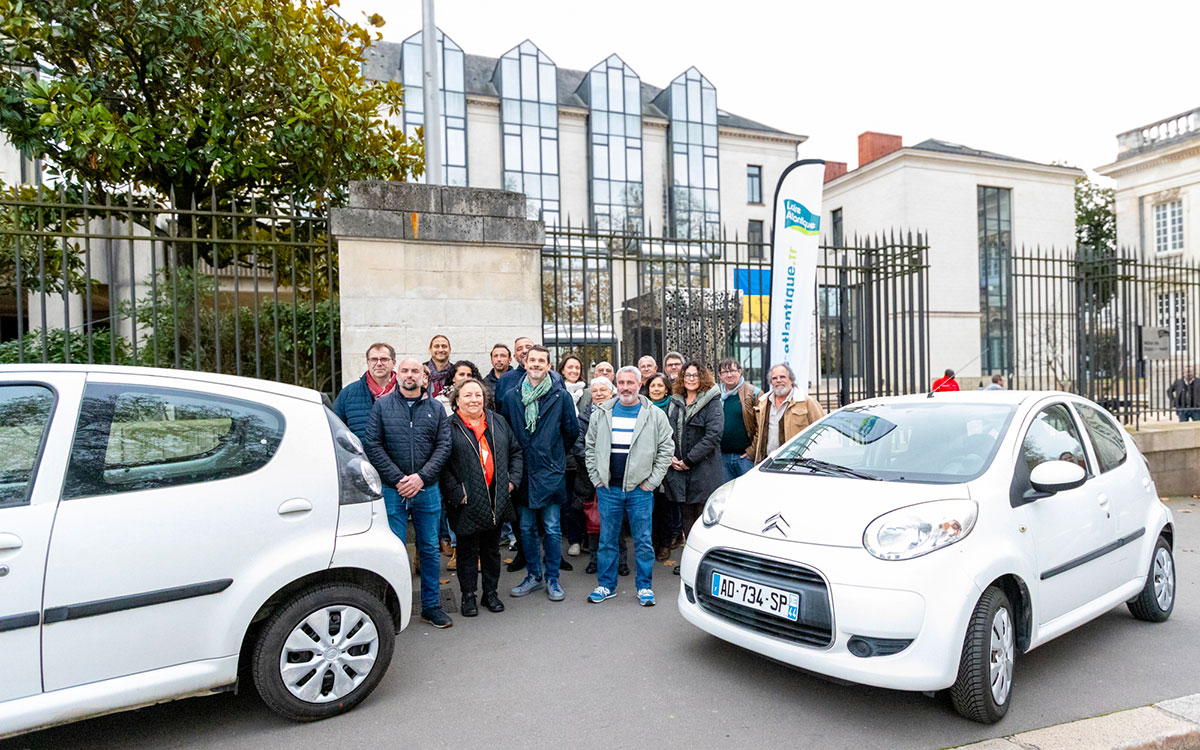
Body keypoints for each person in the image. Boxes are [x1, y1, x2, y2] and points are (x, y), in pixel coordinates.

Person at [363, 358, 453, 628]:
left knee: (428, 548)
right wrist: (399, 478)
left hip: (428, 490)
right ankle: (390, 608)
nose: (410, 375)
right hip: (393, 490)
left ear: (424, 378)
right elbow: (373, 444)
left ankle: (431, 606)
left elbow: (443, 446)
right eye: (405, 370)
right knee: (394, 551)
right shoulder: (381, 407)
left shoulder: (436, 409)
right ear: (397, 374)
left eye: (416, 371)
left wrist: (420, 477)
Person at [584, 366, 675, 606]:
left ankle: (645, 587)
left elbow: (667, 449)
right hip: (608, 489)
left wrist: (652, 482)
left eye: (630, 383)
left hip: (640, 490)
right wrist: (597, 479)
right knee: (607, 540)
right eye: (621, 382)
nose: (625, 387)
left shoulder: (654, 414)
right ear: (617, 385)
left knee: (643, 541)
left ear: (639, 385)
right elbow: (590, 448)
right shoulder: (601, 413)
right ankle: (606, 585)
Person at [499, 345, 580, 602]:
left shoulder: (560, 396)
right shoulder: (512, 397)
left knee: (553, 528)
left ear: (548, 366)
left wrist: (552, 454)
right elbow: (506, 434)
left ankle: (552, 579)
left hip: (549, 472)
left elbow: (571, 431)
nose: (535, 364)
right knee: (526, 528)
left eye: (541, 361)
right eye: (531, 360)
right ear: (525, 363)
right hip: (522, 471)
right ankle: (533, 576)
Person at [439, 378, 522, 617]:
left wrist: (512, 481)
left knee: (491, 550)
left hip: (496, 499)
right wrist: (456, 491)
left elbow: (516, 452)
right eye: (467, 395)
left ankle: (491, 593)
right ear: (457, 399)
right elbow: (442, 465)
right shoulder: (448, 426)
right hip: (466, 501)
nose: (473, 400)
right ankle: (468, 596)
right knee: (466, 551)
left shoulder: (498, 421)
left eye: (477, 395)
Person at [663, 362, 725, 576]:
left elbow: (713, 436)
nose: (690, 379)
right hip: (677, 469)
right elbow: (666, 431)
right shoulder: (675, 400)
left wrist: (688, 460)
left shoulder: (712, 402)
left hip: (702, 469)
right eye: (687, 375)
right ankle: (691, 560)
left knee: (703, 520)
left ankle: (708, 565)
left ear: (703, 378)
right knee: (686, 518)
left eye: (695, 375)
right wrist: (670, 456)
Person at [575, 376, 629, 575]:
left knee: (617, 522)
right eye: (595, 391)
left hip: (615, 477)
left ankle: (621, 561)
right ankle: (595, 560)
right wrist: (595, 466)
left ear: (611, 393)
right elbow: (578, 445)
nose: (598, 394)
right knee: (594, 521)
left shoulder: (619, 414)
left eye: (603, 390)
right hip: (590, 477)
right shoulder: (583, 418)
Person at [752, 364, 826, 463]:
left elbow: (821, 431)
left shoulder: (806, 402)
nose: (778, 380)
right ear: (771, 382)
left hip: (797, 463)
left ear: (791, 380)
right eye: (774, 378)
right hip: (768, 462)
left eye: (782, 377)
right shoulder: (763, 402)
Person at [332, 342, 396, 444]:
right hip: (360, 457)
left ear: (393, 363)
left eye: (384, 359)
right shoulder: (348, 393)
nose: (379, 363)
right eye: (374, 359)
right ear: (368, 363)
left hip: (396, 459)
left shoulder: (405, 391)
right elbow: (335, 429)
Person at [644, 373, 677, 561]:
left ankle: (664, 544)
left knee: (665, 507)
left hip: (667, 462)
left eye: (660, 386)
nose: (656, 389)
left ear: (666, 389)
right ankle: (652, 543)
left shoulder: (673, 407)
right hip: (646, 463)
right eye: (653, 386)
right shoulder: (641, 407)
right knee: (649, 508)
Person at [558, 353, 587, 556]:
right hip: (565, 455)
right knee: (569, 502)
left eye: (577, 367)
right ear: (562, 370)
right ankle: (574, 539)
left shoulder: (589, 393)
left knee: (585, 500)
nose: (574, 371)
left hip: (584, 457)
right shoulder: (557, 392)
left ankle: (588, 539)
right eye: (570, 367)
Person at [716, 357, 760, 481]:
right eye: (725, 372)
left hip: (745, 459)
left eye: (733, 371)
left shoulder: (754, 393)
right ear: (719, 375)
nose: (729, 375)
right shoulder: (715, 394)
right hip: (722, 458)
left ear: (740, 372)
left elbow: (761, 425)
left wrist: (752, 451)